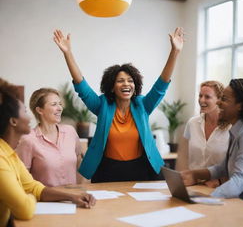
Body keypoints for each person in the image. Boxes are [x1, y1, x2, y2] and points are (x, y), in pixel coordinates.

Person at [53, 27, 185, 182]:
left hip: (141, 168)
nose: (126, 84)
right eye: (120, 81)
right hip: (108, 170)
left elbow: (161, 86)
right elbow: (82, 87)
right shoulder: (102, 105)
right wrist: (67, 53)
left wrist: (174, 52)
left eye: (130, 81)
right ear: (112, 86)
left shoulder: (142, 105)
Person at [0, 79, 95, 227]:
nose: (29, 117)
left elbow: (33, 187)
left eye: (60, 104)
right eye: (24, 112)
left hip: (67, 202)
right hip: (42, 211)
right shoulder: (11, 152)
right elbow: (26, 199)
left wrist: (72, 195)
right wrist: (33, 198)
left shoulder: (10, 154)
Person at [181, 78, 243, 204]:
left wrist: (208, 198)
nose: (219, 103)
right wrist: (195, 174)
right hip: (233, 201)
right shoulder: (236, 130)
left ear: (240, 106)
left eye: (224, 99)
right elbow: (223, 167)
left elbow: (240, 179)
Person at [16, 88, 83, 187]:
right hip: (45, 200)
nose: (60, 108)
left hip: (73, 198)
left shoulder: (70, 132)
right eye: (54, 104)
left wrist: (77, 188)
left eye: (60, 104)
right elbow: (22, 179)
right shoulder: (28, 139)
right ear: (39, 110)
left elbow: (78, 159)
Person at [176, 81, 230, 187]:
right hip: (192, 186)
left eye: (207, 97)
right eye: (200, 96)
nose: (201, 100)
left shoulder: (230, 127)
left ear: (219, 100)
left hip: (218, 187)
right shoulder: (192, 123)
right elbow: (183, 156)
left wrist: (219, 182)